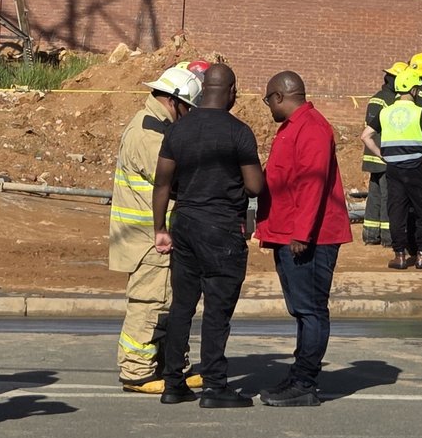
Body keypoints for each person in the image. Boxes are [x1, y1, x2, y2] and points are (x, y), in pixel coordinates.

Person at [151, 64, 263, 408]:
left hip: (184, 223)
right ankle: (214, 386)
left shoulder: (178, 130)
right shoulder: (239, 132)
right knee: (217, 309)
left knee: (182, 306)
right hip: (221, 228)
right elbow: (255, 186)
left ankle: (173, 383)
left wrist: (160, 229)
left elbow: (162, 183)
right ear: (231, 91)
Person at [255, 71, 351, 407]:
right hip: (289, 233)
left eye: (268, 100)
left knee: (311, 310)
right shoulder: (293, 127)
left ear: (279, 97)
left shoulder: (311, 127)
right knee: (302, 310)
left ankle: (305, 382)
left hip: (310, 238)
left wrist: (301, 233)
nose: (268, 106)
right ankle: (299, 374)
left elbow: (312, 183)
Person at [109, 62, 203, 392]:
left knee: (167, 303)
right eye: (190, 109)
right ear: (174, 101)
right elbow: (174, 179)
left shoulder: (159, 127)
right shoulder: (149, 133)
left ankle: (168, 365)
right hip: (148, 239)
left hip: (156, 237)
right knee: (150, 303)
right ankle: (137, 370)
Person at [366, 65, 422, 269]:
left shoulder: (385, 112)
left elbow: (366, 136)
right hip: (416, 168)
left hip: (393, 169)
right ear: (414, 90)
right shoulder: (418, 111)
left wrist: (382, 154)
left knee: (396, 211)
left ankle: (399, 255)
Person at [359, 63, 404, 248]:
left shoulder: (375, 98)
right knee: (388, 196)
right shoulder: (391, 101)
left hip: (372, 155)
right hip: (384, 155)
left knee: (374, 195)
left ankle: (370, 234)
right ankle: (387, 236)